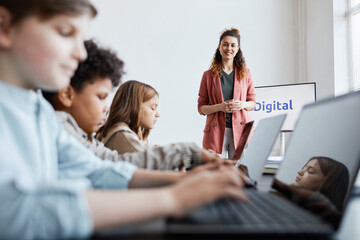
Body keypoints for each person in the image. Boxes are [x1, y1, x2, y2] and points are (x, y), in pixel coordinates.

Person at [0, 1, 248, 239]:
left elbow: (97, 171)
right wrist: (173, 199)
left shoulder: (40, 110)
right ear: (4, 27)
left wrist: (184, 182)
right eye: (65, 32)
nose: (80, 52)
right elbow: (18, 214)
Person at [43, 40, 219, 171]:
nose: (106, 107)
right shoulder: (60, 130)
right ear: (66, 94)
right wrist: (188, 158)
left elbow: (114, 164)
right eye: (101, 97)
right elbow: (126, 167)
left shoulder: (79, 136)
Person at [197, 28, 256, 160]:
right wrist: (219, 107)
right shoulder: (208, 75)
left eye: (233, 45)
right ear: (219, 47)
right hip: (216, 132)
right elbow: (201, 108)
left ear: (238, 48)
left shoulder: (246, 73)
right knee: (216, 173)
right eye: (225, 44)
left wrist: (242, 104)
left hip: (241, 131)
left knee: (240, 174)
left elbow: (252, 103)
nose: (228, 48)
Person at [96, 80, 159, 154]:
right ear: (135, 106)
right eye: (153, 108)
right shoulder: (122, 135)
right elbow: (153, 158)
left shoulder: (133, 134)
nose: (157, 114)